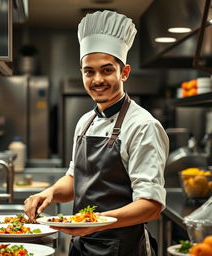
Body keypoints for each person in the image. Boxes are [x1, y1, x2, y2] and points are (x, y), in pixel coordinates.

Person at [24, 10, 169, 256]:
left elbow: (151, 206)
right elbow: (74, 180)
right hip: (82, 246)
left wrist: (93, 222)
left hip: (124, 249)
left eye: (107, 70)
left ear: (124, 73)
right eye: (89, 71)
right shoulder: (85, 121)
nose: (97, 79)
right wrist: (48, 192)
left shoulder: (143, 125)